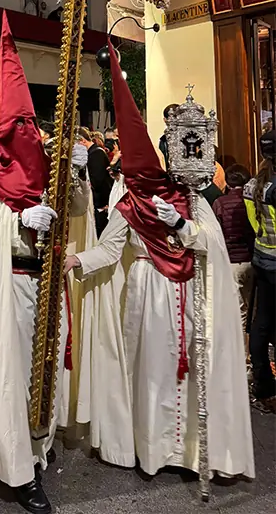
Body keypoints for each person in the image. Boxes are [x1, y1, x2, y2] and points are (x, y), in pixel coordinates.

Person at [64, 43, 254, 482]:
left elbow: (210, 243)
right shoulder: (129, 204)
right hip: (146, 295)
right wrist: (76, 259)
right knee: (151, 374)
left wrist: (182, 225)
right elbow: (109, 249)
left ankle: (191, 453)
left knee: (191, 374)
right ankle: (153, 449)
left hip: (189, 297)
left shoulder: (188, 197)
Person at [0, 12, 86, 514]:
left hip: (47, 286)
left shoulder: (45, 167)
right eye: (18, 126)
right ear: (3, 131)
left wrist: (76, 174)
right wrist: (17, 221)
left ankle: (38, 445)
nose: (27, 133)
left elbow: (74, 209)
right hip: (8, 288)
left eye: (31, 124)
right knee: (13, 376)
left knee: (43, 373)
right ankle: (18, 468)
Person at [244, 129, 276, 413]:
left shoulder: (253, 184)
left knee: (261, 323)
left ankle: (263, 385)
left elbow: (254, 224)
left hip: (261, 258)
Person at [212, 164, 255, 333]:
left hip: (230, 261)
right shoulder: (252, 201)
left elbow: (216, 234)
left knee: (238, 310)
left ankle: (242, 346)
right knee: (254, 307)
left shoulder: (219, 203)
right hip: (252, 259)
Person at [76, 126, 113, 237]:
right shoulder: (92, 152)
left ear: (82, 141)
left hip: (99, 204)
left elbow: (97, 181)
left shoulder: (96, 154)